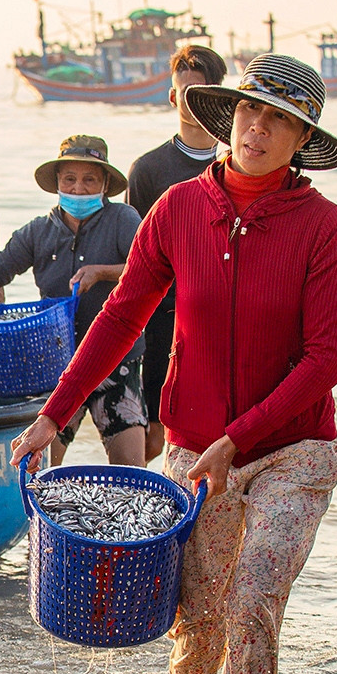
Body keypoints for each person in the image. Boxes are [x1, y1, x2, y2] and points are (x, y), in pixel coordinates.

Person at [11, 55, 337, 674]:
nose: (258, 130)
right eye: (248, 113)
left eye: (279, 121)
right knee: (196, 620)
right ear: (227, 118)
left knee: (253, 595)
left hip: (293, 451)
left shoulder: (322, 226)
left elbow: (324, 360)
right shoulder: (175, 209)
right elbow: (123, 315)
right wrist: (56, 414)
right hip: (196, 448)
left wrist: (243, 437)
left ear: (302, 138)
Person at [0, 134, 146, 464]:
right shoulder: (37, 231)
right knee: (41, 468)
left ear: (104, 184)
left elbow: (147, 269)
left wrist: (101, 272)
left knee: (131, 471)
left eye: (89, 180)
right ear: (57, 182)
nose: (79, 188)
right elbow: (0, 267)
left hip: (117, 361)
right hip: (58, 365)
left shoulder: (124, 219)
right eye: (69, 179)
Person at [127, 43, 228, 463]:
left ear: (220, 96)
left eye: (201, 92)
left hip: (224, 320)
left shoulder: (239, 163)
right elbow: (133, 261)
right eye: (183, 92)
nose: (190, 102)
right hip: (164, 323)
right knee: (156, 439)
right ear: (171, 96)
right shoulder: (148, 170)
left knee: (224, 434)